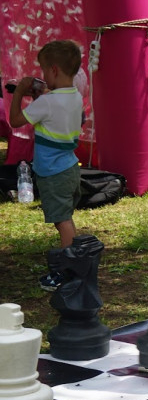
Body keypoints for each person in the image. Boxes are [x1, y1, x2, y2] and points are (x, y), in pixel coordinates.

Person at [9, 40, 84, 291]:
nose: (42, 75)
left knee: (62, 221)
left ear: (53, 70)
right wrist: (39, 97)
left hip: (53, 173)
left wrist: (19, 92)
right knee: (66, 219)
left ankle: (68, 271)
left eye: (43, 70)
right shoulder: (75, 96)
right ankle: (72, 262)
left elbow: (15, 121)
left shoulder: (48, 102)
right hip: (70, 168)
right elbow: (55, 116)